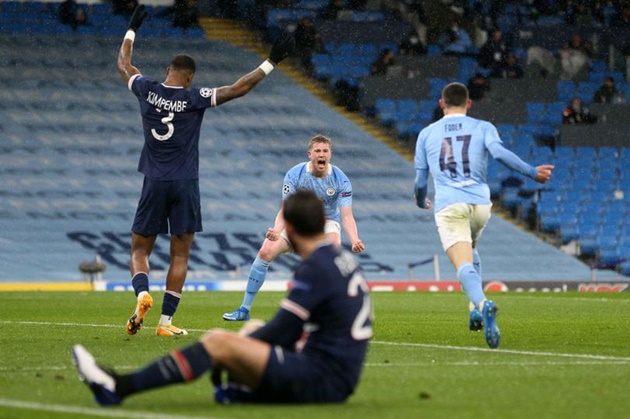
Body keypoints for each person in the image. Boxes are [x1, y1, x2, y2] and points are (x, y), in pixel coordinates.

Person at [72, 189, 374, 406]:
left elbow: (284, 331)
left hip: (323, 379)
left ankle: (119, 386)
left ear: (290, 230)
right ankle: (244, 391)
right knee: (252, 328)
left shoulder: (316, 268)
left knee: (219, 341)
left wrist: (223, 354)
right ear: (323, 223)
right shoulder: (337, 258)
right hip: (336, 370)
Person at [117, 6, 295, 336]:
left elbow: (124, 66)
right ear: (190, 77)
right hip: (185, 183)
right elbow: (239, 87)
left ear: (168, 70)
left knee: (140, 249)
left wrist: (131, 29)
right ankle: (166, 323)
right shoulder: (195, 96)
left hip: (154, 181)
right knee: (180, 254)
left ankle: (142, 293)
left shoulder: (147, 89)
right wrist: (272, 62)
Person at [413, 82, 554, 349]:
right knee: (472, 248)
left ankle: (483, 303)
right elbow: (499, 153)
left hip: (450, 205)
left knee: (462, 263)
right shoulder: (483, 127)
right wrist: (533, 172)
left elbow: (420, 183)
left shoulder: (427, 134)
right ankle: (473, 309)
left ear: (441, 104)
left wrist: (421, 202)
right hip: (480, 205)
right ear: (469, 104)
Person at [223, 135, 365, 321]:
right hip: (297, 220)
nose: (321, 154)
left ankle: (331, 311)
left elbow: (346, 216)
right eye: (317, 151)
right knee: (265, 251)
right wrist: (276, 230)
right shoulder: (295, 174)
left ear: (330, 154)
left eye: (325, 151)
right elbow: (284, 209)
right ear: (310, 154)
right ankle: (244, 309)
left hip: (326, 222)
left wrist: (354, 239)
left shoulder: (341, 180)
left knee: (331, 259)